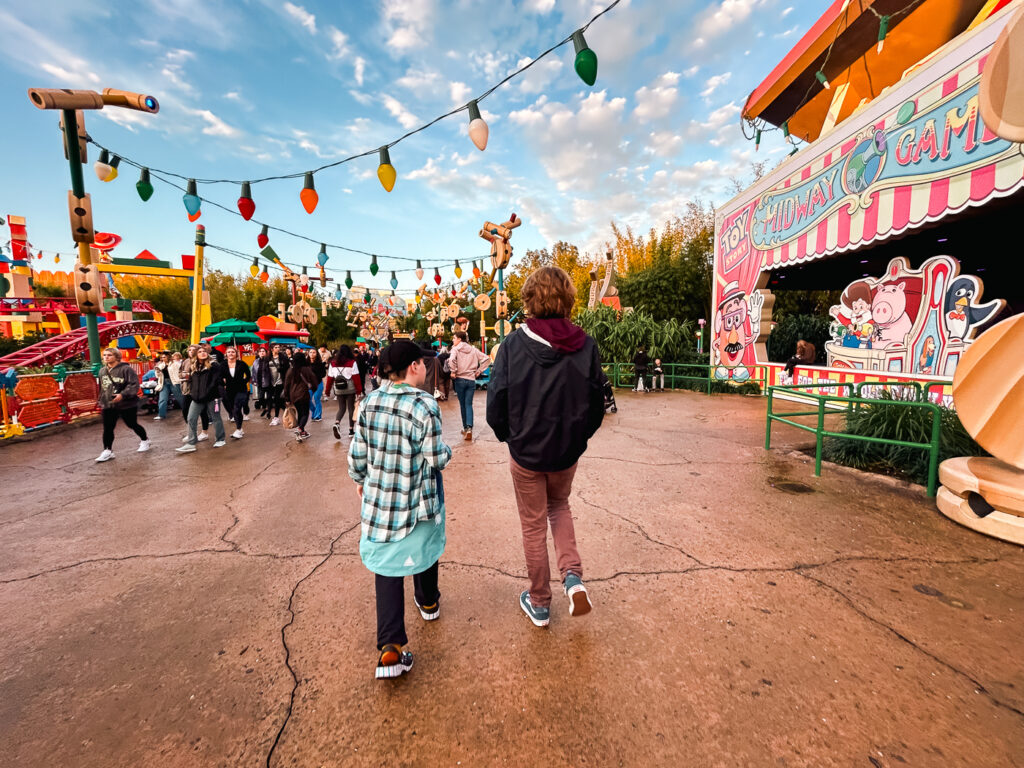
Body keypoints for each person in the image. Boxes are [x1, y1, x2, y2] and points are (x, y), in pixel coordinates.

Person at [486, 266, 605, 628]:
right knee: (560, 507)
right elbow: (597, 401)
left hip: (526, 453)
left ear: (530, 300)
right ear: (567, 298)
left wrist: (511, 437)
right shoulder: (585, 345)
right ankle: (572, 577)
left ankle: (539, 601)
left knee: (533, 525)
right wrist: (578, 440)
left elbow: (496, 401)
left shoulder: (512, 344)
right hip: (566, 452)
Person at [348, 340, 451, 680]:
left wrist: (360, 478)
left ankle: (390, 647)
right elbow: (436, 457)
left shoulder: (369, 402)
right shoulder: (424, 405)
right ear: (414, 366)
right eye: (423, 362)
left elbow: (356, 454)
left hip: (380, 500)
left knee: (387, 565)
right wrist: (448, 451)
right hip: (416, 497)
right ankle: (429, 601)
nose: (425, 368)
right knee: (425, 545)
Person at [96, 348, 150, 462]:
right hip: (108, 404)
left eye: (109, 355)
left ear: (117, 357)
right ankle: (107, 450)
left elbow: (134, 385)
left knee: (132, 424)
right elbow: (102, 387)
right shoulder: (102, 371)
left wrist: (123, 395)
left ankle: (145, 440)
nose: (106, 357)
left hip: (126, 403)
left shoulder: (126, 369)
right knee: (108, 428)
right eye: (104, 355)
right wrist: (101, 400)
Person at [176, 345, 226, 452]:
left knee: (216, 417)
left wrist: (207, 392)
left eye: (204, 351)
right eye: (200, 352)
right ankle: (191, 443)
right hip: (197, 397)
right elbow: (192, 382)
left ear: (207, 353)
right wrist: (193, 393)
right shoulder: (194, 366)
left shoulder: (214, 365)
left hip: (213, 397)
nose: (202, 353)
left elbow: (216, 382)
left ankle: (220, 439)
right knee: (191, 418)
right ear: (197, 354)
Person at [449, 330, 491, 441]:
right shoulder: (473, 350)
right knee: (469, 404)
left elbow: (452, 359)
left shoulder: (455, 349)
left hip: (460, 379)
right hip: (471, 380)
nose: (453, 340)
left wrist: (453, 371)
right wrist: (478, 371)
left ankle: (465, 428)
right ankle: (469, 429)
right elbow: (487, 359)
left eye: (454, 338)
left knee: (462, 405)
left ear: (459, 339)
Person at [327, 345, 362, 439]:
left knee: (341, 408)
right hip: (350, 388)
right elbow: (356, 378)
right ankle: (351, 430)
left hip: (338, 388)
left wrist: (327, 391)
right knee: (351, 408)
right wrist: (359, 391)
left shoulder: (333, 363)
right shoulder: (352, 362)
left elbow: (330, 378)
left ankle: (337, 423)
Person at [283, 350, 318, 440]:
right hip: (304, 395)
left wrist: (287, 398)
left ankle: (302, 431)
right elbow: (314, 382)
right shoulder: (306, 369)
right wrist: (313, 390)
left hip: (293, 396)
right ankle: (300, 429)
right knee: (305, 413)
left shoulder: (290, 370)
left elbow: (286, 385)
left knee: (300, 413)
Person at [178, 345, 210, 441]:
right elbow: (180, 373)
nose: (191, 351)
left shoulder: (200, 361)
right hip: (186, 389)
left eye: (193, 350)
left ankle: (204, 432)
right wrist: (183, 375)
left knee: (202, 412)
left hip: (197, 390)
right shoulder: (186, 361)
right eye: (189, 350)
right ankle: (192, 432)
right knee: (185, 410)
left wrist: (190, 375)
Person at [222, 346, 251, 439]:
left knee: (237, 408)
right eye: (229, 352)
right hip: (229, 390)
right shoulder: (222, 364)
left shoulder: (241, 363)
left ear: (236, 354)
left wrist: (244, 381)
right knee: (233, 409)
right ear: (226, 354)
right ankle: (240, 429)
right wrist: (223, 383)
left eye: (233, 352)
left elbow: (248, 375)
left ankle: (238, 430)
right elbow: (219, 376)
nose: (231, 353)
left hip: (241, 389)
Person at [309, 346, 327, 422]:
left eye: (314, 352)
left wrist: (316, 375)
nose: (312, 354)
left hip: (318, 384)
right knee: (307, 399)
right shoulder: (306, 363)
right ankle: (314, 411)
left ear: (316, 354)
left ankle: (318, 416)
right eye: (310, 352)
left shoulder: (320, 364)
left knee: (317, 398)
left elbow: (323, 374)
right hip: (309, 385)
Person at [153, 352, 171, 420]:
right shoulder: (160, 364)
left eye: (164, 357)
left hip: (174, 382)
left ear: (168, 357)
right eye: (162, 357)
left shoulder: (173, 364)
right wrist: (158, 371)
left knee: (180, 398)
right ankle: (161, 415)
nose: (163, 358)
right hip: (164, 383)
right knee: (162, 399)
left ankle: (187, 412)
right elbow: (157, 376)